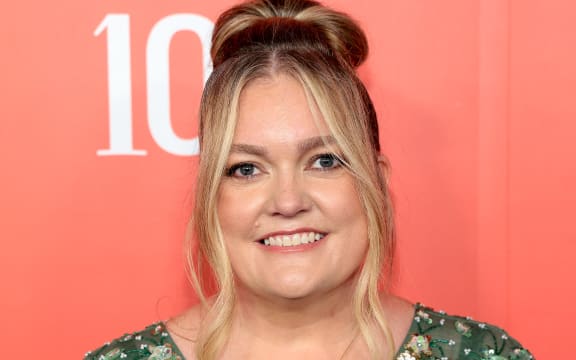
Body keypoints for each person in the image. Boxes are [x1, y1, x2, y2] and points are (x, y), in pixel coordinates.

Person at [85, 0, 533, 359]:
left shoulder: (481, 354)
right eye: (246, 168)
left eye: (324, 161)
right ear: (209, 197)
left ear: (375, 182)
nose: (287, 199)